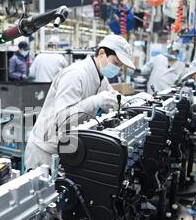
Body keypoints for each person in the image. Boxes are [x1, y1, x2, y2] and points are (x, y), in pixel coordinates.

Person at [25, 34, 152, 169]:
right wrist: (95, 101)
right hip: (44, 150)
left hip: (66, 149)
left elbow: (114, 98)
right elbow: (62, 117)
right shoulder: (76, 74)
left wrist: (135, 100)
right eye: (115, 63)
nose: (117, 69)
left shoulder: (101, 78)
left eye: (120, 66)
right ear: (102, 53)